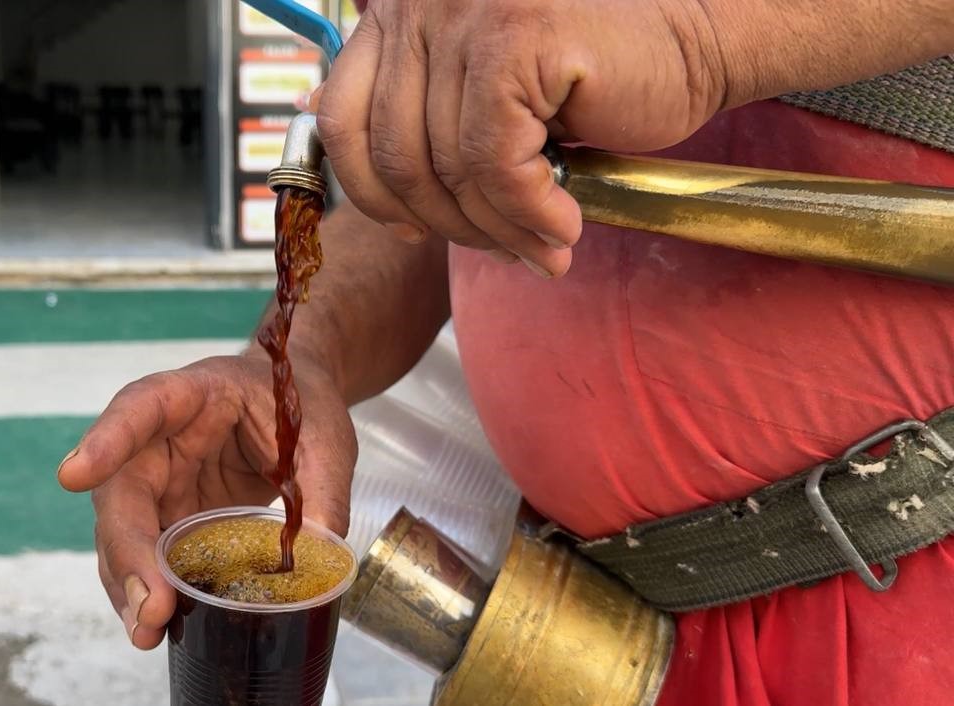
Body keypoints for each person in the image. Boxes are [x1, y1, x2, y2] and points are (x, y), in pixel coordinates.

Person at [57, 1, 954, 703]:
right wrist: (302, 360)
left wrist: (695, 31)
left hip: (899, 607)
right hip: (579, 616)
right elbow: (434, 195)